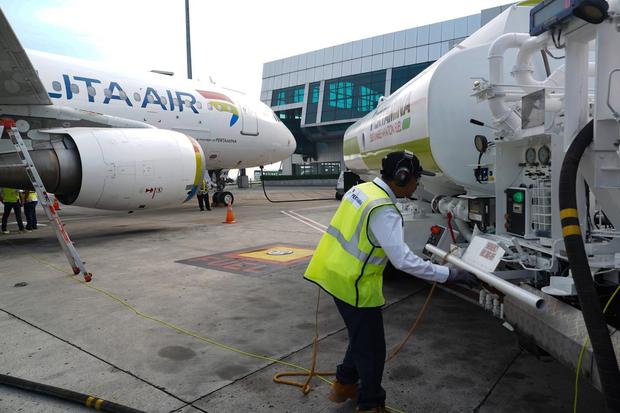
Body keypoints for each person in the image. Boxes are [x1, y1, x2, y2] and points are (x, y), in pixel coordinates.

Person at [304, 151, 479, 413]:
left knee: (361, 338)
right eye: (416, 178)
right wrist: (449, 274)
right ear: (402, 176)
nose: (418, 184)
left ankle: (344, 384)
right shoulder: (383, 210)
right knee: (373, 349)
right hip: (355, 286)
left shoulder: (361, 191)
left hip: (333, 274)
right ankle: (370, 403)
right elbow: (404, 261)